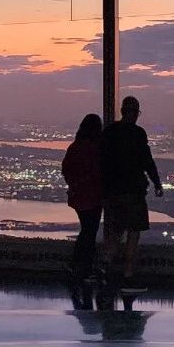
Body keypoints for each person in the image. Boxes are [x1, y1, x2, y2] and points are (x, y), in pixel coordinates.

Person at [99, 96, 163, 290]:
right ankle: (128, 275)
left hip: (112, 192)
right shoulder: (138, 134)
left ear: (121, 110)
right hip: (134, 192)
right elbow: (147, 161)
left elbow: (102, 161)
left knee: (114, 231)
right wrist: (157, 183)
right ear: (135, 113)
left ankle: (107, 270)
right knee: (133, 233)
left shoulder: (109, 132)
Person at [61, 113, 104, 299]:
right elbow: (98, 171)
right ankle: (82, 266)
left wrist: (74, 185)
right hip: (93, 196)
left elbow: (66, 170)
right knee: (89, 231)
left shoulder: (75, 147)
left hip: (79, 197)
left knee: (87, 230)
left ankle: (82, 265)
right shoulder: (95, 148)